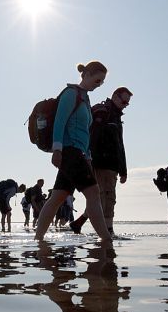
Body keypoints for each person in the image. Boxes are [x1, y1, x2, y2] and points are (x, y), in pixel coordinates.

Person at [34, 61, 113, 243]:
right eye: (97, 80)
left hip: (79, 154)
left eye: (101, 82)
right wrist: (57, 150)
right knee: (93, 193)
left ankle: (38, 240)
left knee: (57, 197)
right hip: (69, 152)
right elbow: (60, 122)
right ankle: (106, 240)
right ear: (85, 75)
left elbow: (85, 132)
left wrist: (88, 157)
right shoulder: (71, 94)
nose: (99, 85)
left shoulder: (85, 98)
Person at [70, 86, 133, 235]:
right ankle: (107, 231)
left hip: (112, 165)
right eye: (124, 101)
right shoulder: (102, 112)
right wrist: (88, 159)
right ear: (115, 97)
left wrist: (124, 170)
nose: (125, 105)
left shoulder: (116, 117)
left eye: (127, 103)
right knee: (107, 196)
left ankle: (79, 223)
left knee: (101, 197)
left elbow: (120, 145)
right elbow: (92, 137)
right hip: (100, 162)